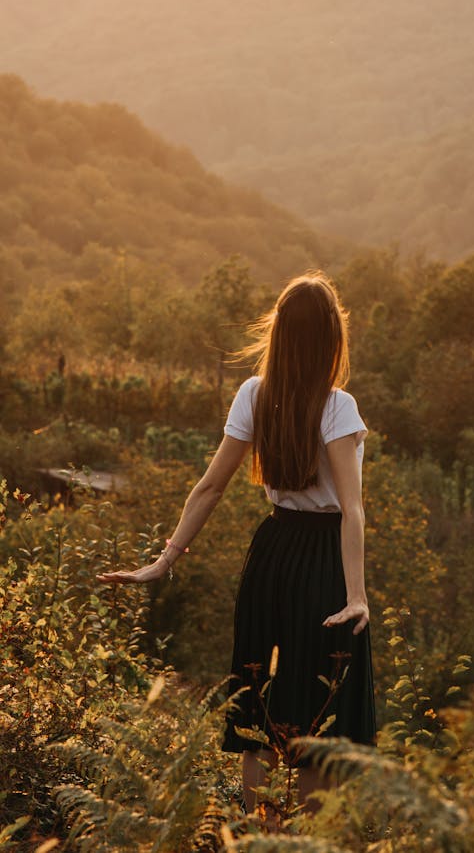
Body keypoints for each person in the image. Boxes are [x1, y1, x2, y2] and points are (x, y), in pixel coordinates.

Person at [97, 272, 376, 814]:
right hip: (324, 565)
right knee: (317, 722)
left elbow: (209, 488)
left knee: (261, 718)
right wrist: (357, 595)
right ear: (330, 339)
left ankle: (258, 838)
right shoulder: (338, 406)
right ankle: (301, 848)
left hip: (270, 556)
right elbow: (352, 508)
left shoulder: (255, 393)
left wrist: (164, 559)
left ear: (280, 335)